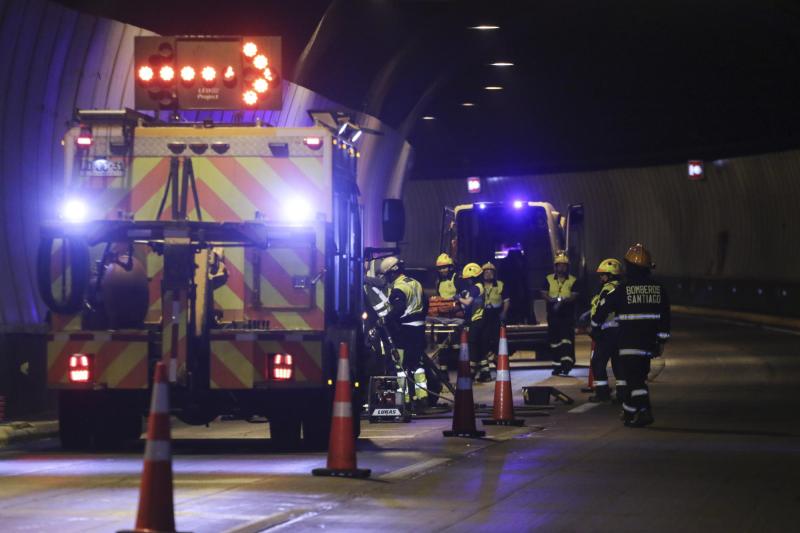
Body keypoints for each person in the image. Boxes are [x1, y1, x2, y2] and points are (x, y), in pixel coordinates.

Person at [593, 243, 670, 427]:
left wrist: (595, 327)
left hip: (628, 342)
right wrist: (661, 340)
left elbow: (602, 309)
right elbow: (665, 317)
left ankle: (644, 411)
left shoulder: (622, 289)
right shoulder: (659, 289)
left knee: (634, 380)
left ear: (629, 266)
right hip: (648, 343)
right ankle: (628, 412)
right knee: (635, 378)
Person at [379, 256, 429, 412]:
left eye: (387, 275)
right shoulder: (415, 283)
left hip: (405, 331)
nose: (387, 279)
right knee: (418, 365)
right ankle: (422, 398)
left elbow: (399, 309)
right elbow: (426, 304)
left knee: (401, 366)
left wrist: (385, 319)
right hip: (419, 329)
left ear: (392, 272)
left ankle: (404, 400)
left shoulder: (398, 288)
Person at [588, 258, 624, 402]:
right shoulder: (623, 287)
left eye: (603, 275)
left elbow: (602, 310)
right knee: (619, 363)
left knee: (597, 361)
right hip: (620, 332)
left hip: (607, 331)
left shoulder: (608, 289)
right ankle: (622, 394)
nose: (601, 278)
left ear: (611, 275)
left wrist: (594, 325)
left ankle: (602, 393)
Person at [541, 251, 578, 376]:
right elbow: (543, 293)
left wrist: (562, 301)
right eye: (559, 265)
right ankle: (557, 366)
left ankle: (567, 365)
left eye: (564, 265)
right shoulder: (548, 279)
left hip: (567, 315)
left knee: (567, 340)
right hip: (553, 315)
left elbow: (574, 296)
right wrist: (552, 300)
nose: (562, 268)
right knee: (554, 341)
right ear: (555, 267)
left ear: (567, 267)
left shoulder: (573, 280)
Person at [458, 262, 491, 382]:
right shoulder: (480, 287)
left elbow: (467, 303)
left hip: (476, 321)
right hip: (481, 320)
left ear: (473, 277)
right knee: (480, 347)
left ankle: (470, 373)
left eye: (468, 279)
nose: (467, 281)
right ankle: (485, 373)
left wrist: (457, 298)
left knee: (472, 346)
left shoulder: (475, 288)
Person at [481, 262, 509, 373]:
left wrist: (504, 313)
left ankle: (498, 363)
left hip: (496, 314)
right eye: (486, 272)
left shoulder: (500, 284)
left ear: (494, 273)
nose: (488, 274)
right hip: (483, 314)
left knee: (497, 339)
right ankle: (486, 365)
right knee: (484, 339)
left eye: (490, 272)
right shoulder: (479, 286)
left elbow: (506, 301)